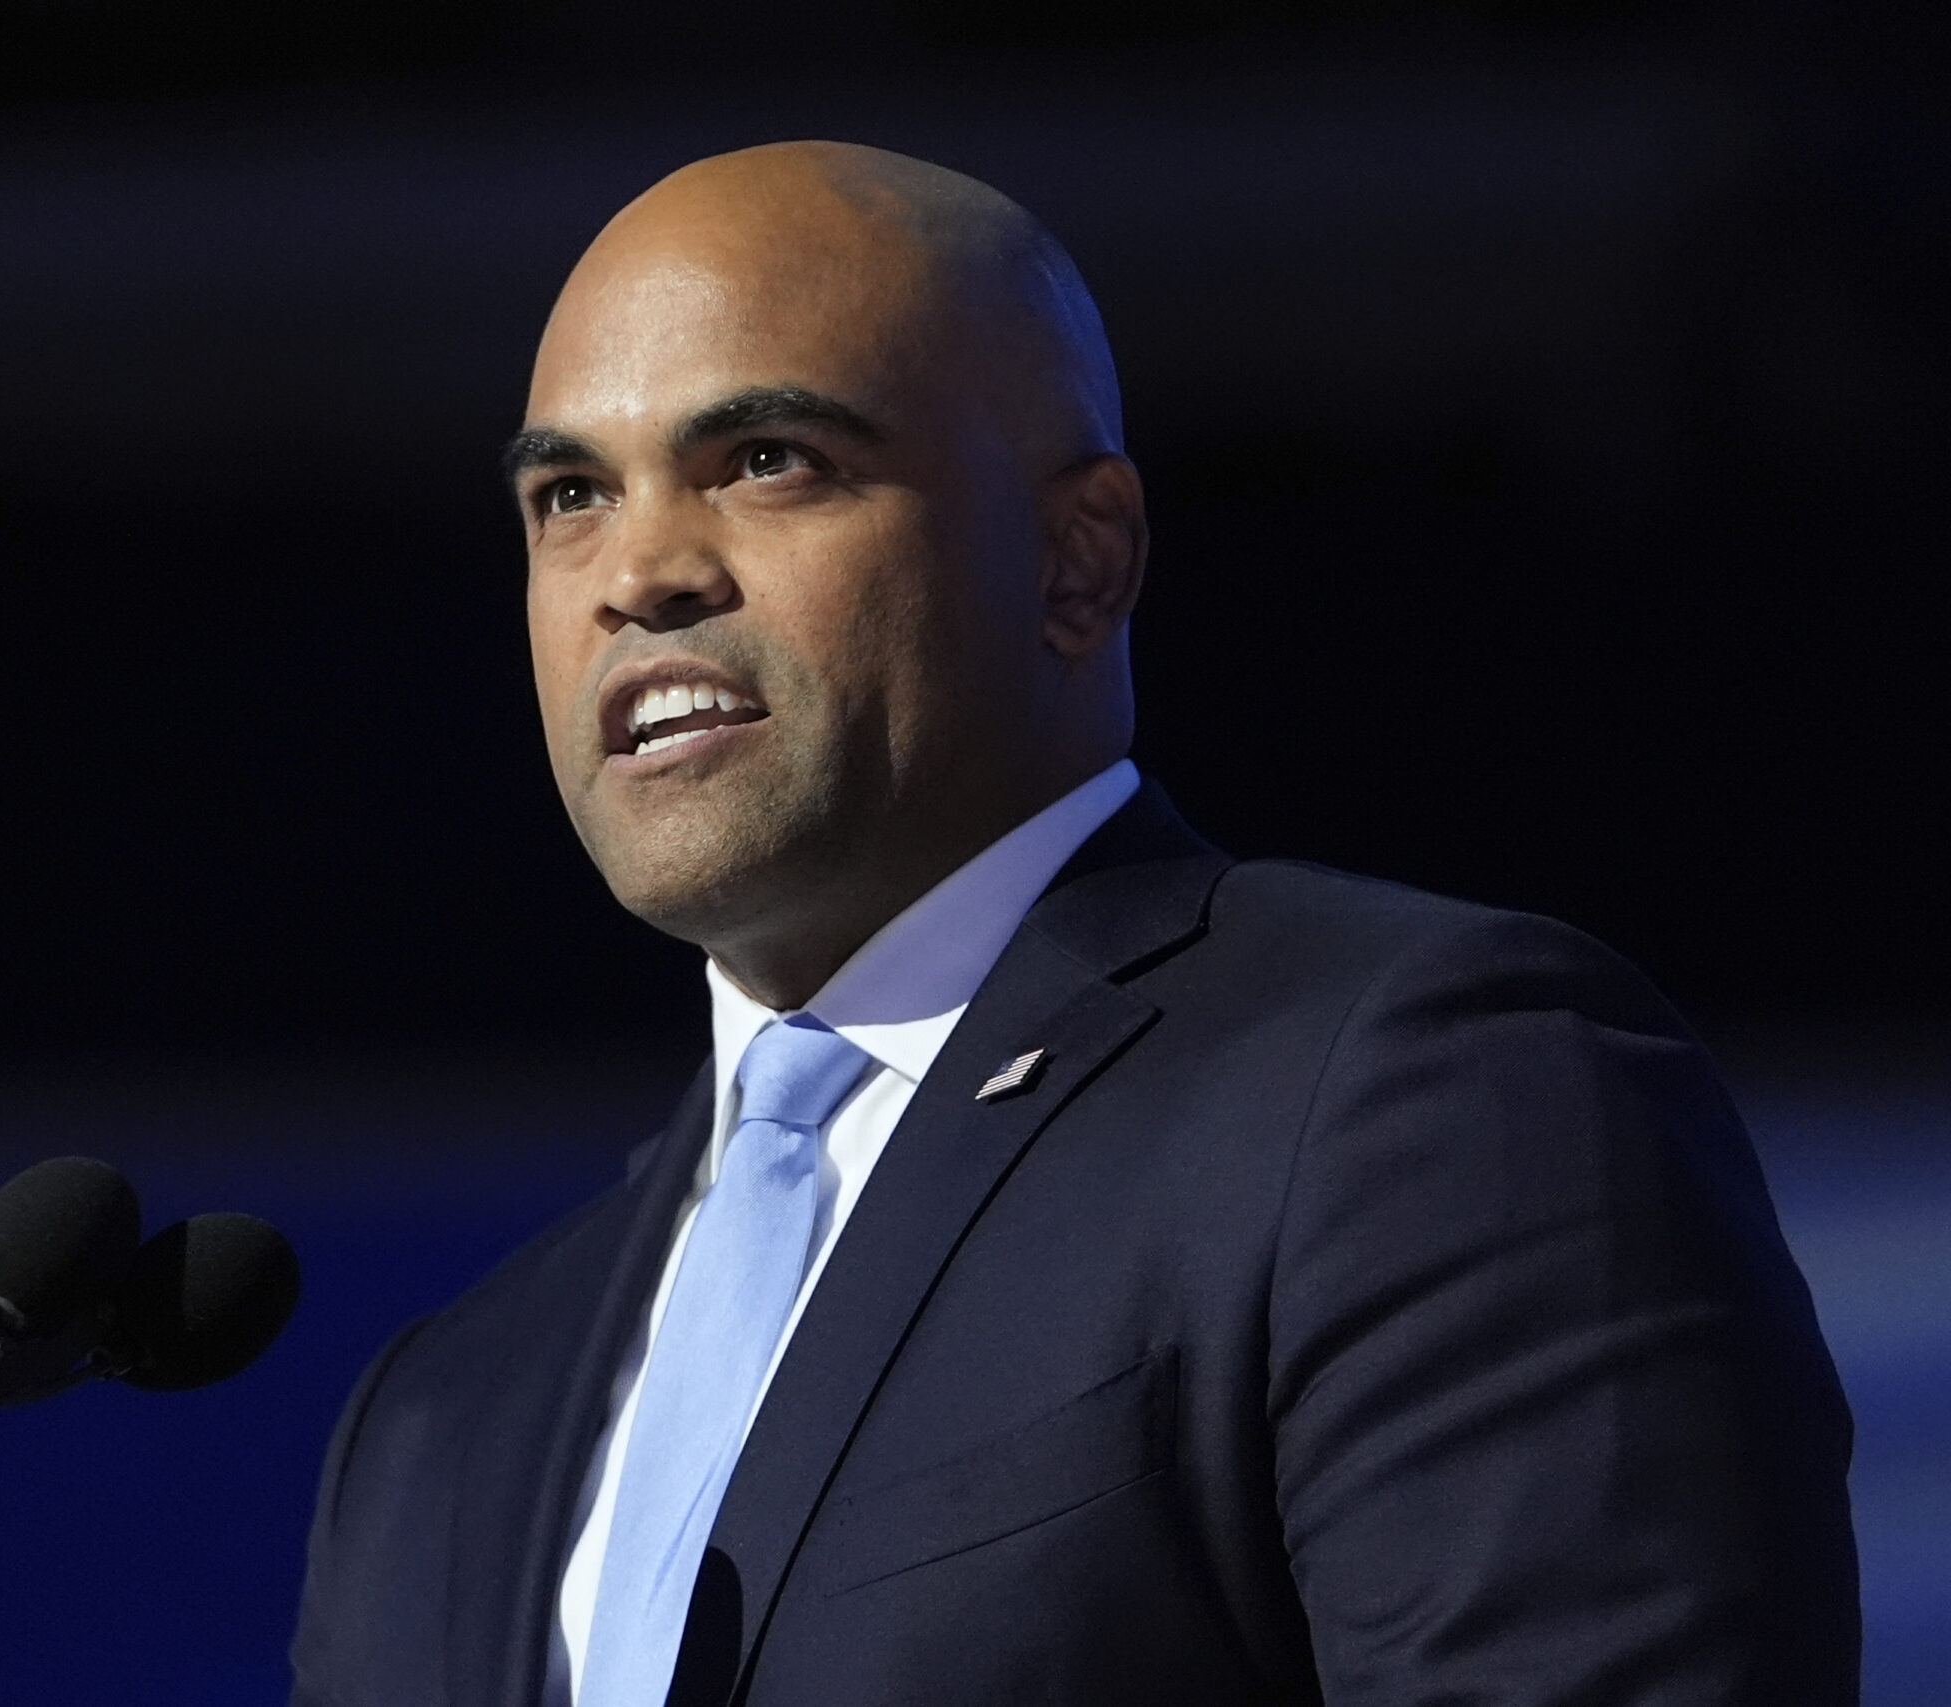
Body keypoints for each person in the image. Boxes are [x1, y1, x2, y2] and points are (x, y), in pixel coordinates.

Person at [287, 142, 1858, 1707]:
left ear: (1078, 557)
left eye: (766, 460)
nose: (639, 572)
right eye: (570, 495)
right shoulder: (449, 1416)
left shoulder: (1423, 1105)